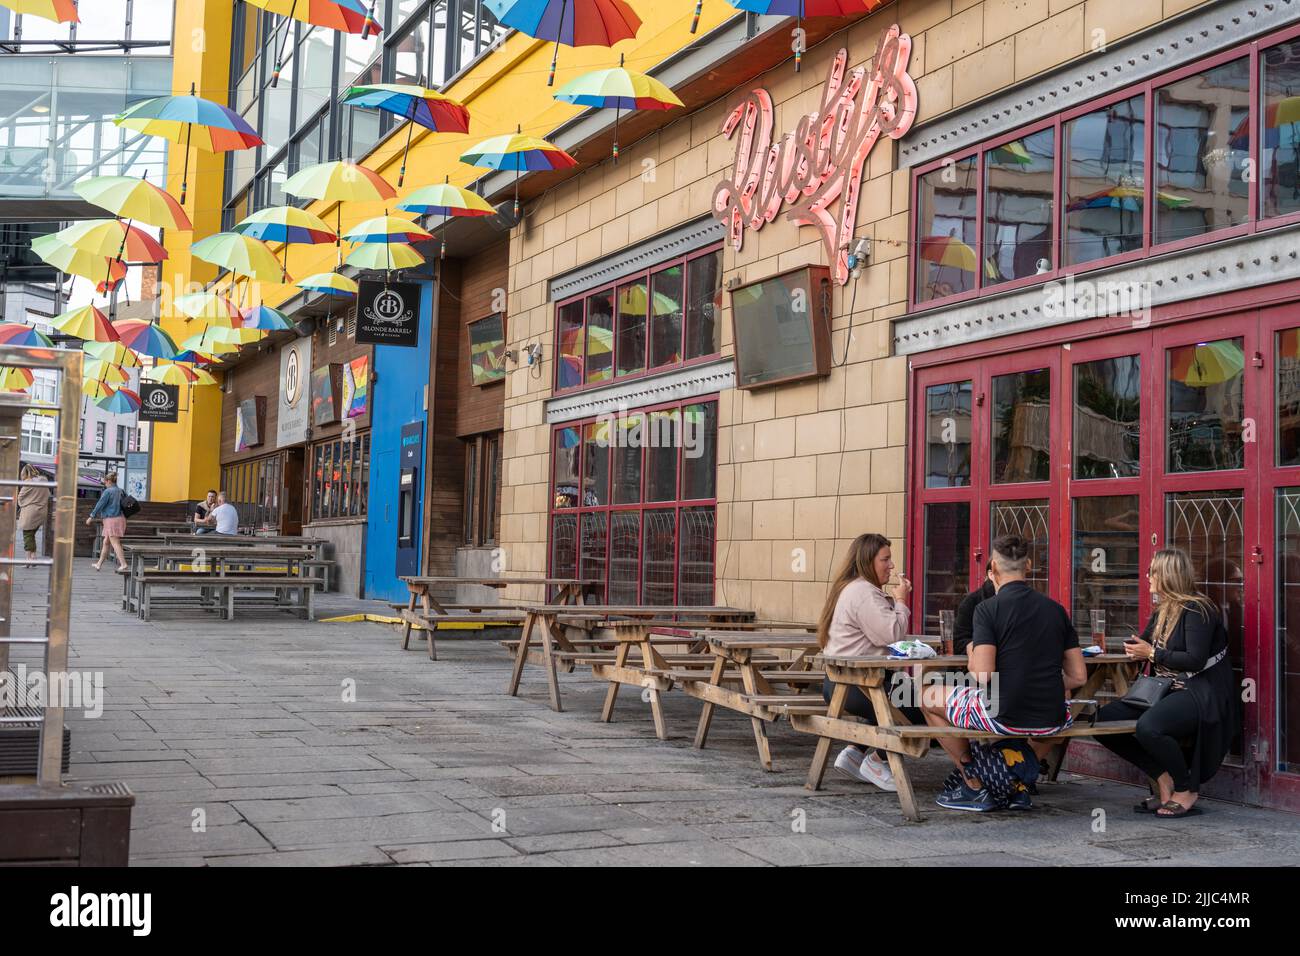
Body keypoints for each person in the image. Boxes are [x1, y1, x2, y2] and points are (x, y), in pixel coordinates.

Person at [920, 534, 1086, 812]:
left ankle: (973, 781)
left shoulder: (987, 609)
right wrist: (1039, 683)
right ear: (1029, 565)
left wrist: (973, 651)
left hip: (1002, 715)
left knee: (927, 696)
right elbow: (1079, 676)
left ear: (993, 568)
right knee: (1055, 712)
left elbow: (983, 674)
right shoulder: (1056, 610)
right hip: (1053, 717)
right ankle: (1013, 782)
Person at [1095, 548, 1236, 819]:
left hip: (1198, 691)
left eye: (1153, 571)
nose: (1147, 576)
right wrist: (1134, 649)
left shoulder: (1197, 608)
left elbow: (1194, 659)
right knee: (1101, 720)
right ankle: (1163, 777)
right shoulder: (1164, 609)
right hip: (1164, 690)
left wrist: (1150, 653)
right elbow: (1145, 644)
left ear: (1168, 575)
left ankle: (1186, 788)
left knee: (1150, 727)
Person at [816, 532, 916, 792]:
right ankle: (877, 760)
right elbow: (893, 634)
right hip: (857, 687)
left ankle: (853, 753)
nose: (891, 566)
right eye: (886, 559)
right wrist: (902, 600)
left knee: (897, 692)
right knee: (921, 708)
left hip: (839, 683)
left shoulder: (851, 588)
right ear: (867, 561)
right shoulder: (865, 593)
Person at [86, 471, 128, 572]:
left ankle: (123, 564)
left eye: (105, 482)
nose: (105, 484)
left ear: (108, 481)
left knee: (115, 542)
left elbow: (100, 505)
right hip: (121, 518)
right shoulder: (121, 491)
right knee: (106, 542)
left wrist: (91, 516)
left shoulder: (108, 492)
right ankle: (99, 564)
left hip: (111, 519)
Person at [953, 562, 995, 654]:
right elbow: (957, 643)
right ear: (990, 575)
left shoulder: (1022, 600)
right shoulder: (972, 602)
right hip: (977, 661)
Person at [17, 463, 50, 566]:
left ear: (25, 473)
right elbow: (48, 494)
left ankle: (28, 559)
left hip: (30, 513)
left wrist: (24, 504)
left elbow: (20, 497)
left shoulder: (28, 483)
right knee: (31, 535)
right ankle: (33, 557)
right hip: (41, 512)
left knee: (27, 535)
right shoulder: (43, 480)